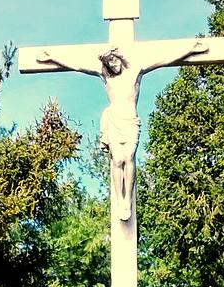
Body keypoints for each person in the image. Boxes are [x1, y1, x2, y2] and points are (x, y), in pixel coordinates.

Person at [36, 42, 207, 220]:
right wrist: (53, 58)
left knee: (129, 157)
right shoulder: (106, 76)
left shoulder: (135, 71)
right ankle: (120, 200)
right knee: (117, 160)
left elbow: (164, 59)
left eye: (113, 60)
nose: (113, 65)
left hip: (130, 121)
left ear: (119, 57)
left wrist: (190, 50)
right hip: (114, 121)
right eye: (108, 63)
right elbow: (78, 65)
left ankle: (127, 200)